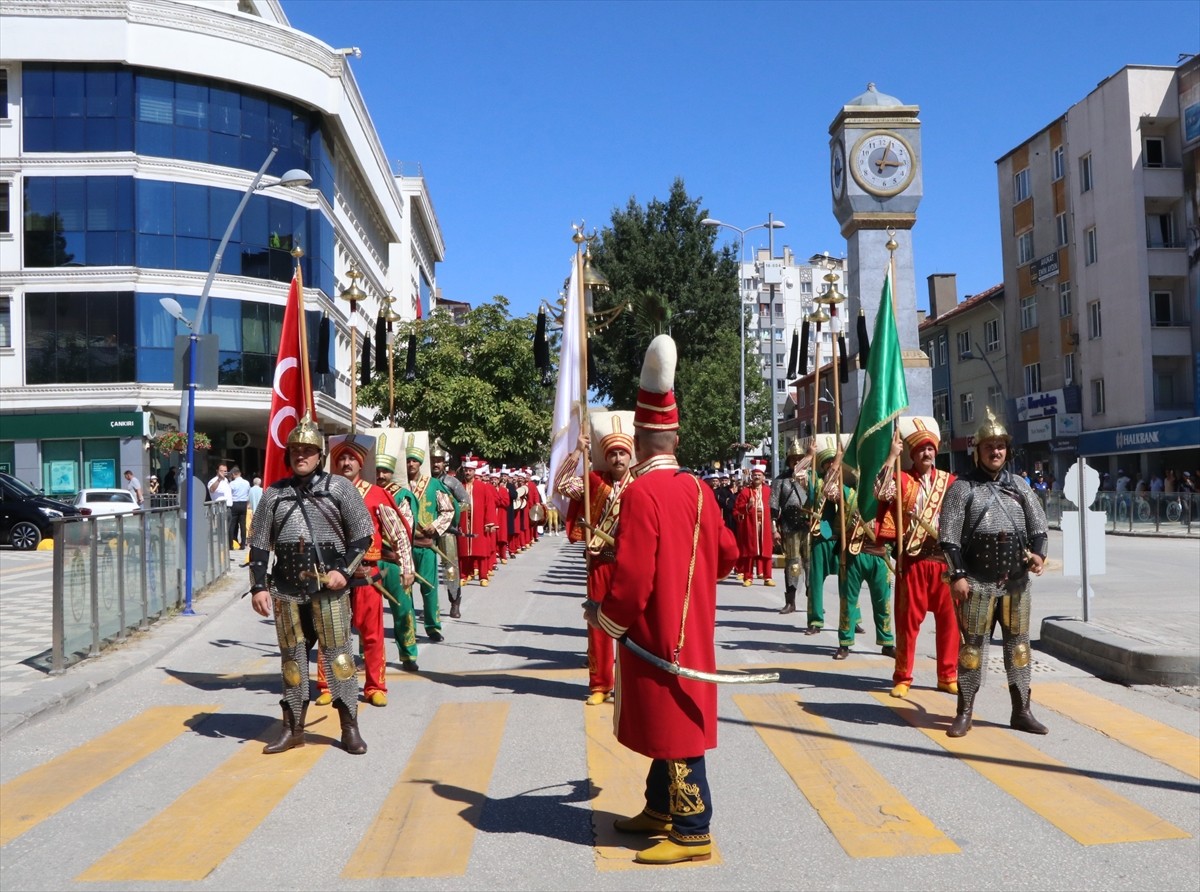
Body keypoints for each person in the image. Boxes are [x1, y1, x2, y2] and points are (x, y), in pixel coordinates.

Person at [586, 335, 738, 865]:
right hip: (690, 626)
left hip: (655, 634)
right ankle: (658, 808)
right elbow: (729, 555)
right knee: (664, 720)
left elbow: (633, 580)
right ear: (674, 438)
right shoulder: (700, 488)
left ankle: (693, 829)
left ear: (643, 438)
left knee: (675, 728)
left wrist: (606, 620)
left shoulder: (642, 493)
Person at [247, 414, 375, 755]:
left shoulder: (340, 488)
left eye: (307, 450)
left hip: (329, 589)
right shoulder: (274, 494)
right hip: (287, 590)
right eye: (295, 451)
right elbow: (259, 544)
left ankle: (349, 727)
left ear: (320, 454)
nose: (300, 456)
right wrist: (258, 586)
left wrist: (344, 573)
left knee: (339, 661)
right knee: (292, 662)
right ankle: (294, 729)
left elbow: (363, 536)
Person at [939, 407, 1049, 738]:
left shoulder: (1019, 485)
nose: (996, 451)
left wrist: (1039, 556)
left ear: (1007, 449)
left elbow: (1039, 528)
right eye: (989, 446)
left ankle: (1022, 711)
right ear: (978, 450)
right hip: (977, 582)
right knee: (972, 649)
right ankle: (965, 711)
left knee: (1018, 648)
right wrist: (957, 575)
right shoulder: (963, 488)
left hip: (1016, 583)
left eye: (1000, 445)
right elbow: (948, 536)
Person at [313, 434, 410, 708]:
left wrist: (406, 566)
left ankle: (375, 686)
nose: (345, 463)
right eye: (341, 458)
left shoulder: (377, 494)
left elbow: (399, 533)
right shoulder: (322, 492)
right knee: (329, 634)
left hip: (366, 576)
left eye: (351, 459)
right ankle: (327, 685)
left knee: (372, 634)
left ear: (360, 463)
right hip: (332, 577)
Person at [872, 417, 955, 695]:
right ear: (912, 454)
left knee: (949, 623)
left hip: (943, 561)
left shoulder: (950, 482)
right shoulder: (901, 478)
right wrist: (891, 456)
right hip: (913, 559)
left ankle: (947, 675)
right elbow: (879, 492)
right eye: (921, 449)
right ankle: (903, 677)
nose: (927, 453)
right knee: (907, 623)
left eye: (930, 448)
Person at [556, 413, 634, 705]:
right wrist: (577, 450)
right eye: (612, 453)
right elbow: (562, 484)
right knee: (598, 623)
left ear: (629, 456)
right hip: (599, 562)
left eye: (622, 453)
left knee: (631, 625)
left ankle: (630, 684)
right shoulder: (594, 481)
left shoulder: (640, 484)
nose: (617, 459)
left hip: (630, 564)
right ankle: (600, 684)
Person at [835, 467, 895, 661]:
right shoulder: (847, 493)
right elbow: (828, 490)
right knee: (848, 600)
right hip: (854, 553)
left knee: (882, 602)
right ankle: (845, 643)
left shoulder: (884, 493)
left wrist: (891, 459)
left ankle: (887, 643)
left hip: (879, 554)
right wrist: (836, 463)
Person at [405, 434, 456, 638]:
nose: (411, 464)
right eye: (408, 460)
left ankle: (433, 627)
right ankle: (407, 629)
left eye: (415, 460)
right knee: (405, 589)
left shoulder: (433, 484)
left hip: (426, 545)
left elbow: (448, 510)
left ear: (420, 463)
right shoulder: (398, 484)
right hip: (404, 547)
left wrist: (435, 527)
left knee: (428, 587)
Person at [804, 437, 843, 635]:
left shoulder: (846, 484)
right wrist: (809, 455)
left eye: (833, 462)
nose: (831, 466)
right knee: (816, 580)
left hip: (842, 536)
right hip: (822, 534)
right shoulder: (816, 481)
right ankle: (815, 620)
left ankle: (852, 619)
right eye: (827, 463)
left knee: (848, 581)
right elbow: (798, 474)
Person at [770, 438, 811, 615]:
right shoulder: (781, 480)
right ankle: (791, 601)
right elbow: (773, 505)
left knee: (810, 564)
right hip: (789, 524)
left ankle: (813, 602)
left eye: (799, 458)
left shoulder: (810, 478)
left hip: (808, 524)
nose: (796, 461)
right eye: (793, 459)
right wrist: (774, 529)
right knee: (793, 563)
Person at [430, 440, 467, 614]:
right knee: (427, 568)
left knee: (450, 567)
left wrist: (452, 511)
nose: (435, 463)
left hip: (447, 531)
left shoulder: (451, 482)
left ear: (443, 462)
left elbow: (466, 502)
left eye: (438, 460)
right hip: (427, 530)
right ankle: (430, 605)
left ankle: (455, 602)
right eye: (432, 459)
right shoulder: (424, 482)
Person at [733, 457, 775, 586]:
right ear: (751, 476)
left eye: (759, 475)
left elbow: (774, 507)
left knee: (766, 550)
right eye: (755, 475)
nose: (756, 477)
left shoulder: (769, 491)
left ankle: (767, 577)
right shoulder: (745, 492)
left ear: (763, 477)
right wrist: (747, 506)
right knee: (750, 551)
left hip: (765, 524)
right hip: (751, 525)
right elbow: (736, 509)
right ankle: (748, 577)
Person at [456, 456, 495, 585]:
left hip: (478, 522)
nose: (467, 472)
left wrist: (489, 522)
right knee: (463, 551)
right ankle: (464, 575)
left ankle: (483, 576)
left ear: (474, 471)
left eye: (470, 470)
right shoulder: (459, 486)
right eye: (465, 470)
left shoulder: (482, 487)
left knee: (480, 551)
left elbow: (489, 505)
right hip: (463, 523)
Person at [228, 466, 251, 550]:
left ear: (234, 474)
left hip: (234, 503)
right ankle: (242, 544)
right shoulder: (247, 483)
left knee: (232, 524)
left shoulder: (232, 484)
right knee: (243, 524)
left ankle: (231, 544)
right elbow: (248, 493)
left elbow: (229, 493)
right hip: (243, 504)